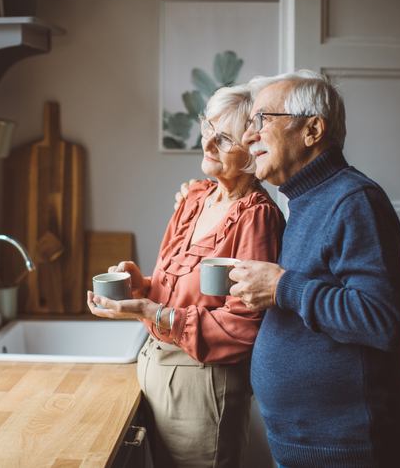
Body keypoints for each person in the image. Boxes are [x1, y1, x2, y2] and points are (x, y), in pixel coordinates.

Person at [227, 70, 400, 468]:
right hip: (307, 448)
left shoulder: (355, 200)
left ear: (312, 129)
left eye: (262, 120)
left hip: (350, 452)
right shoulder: (304, 200)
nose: (248, 136)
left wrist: (284, 288)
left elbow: (384, 320)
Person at [87, 83, 285, 468]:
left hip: (203, 385)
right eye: (207, 128)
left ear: (252, 146)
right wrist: (141, 286)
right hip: (154, 371)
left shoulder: (256, 217)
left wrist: (153, 311)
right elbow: (176, 291)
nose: (208, 144)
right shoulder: (195, 199)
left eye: (224, 138)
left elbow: (245, 327)